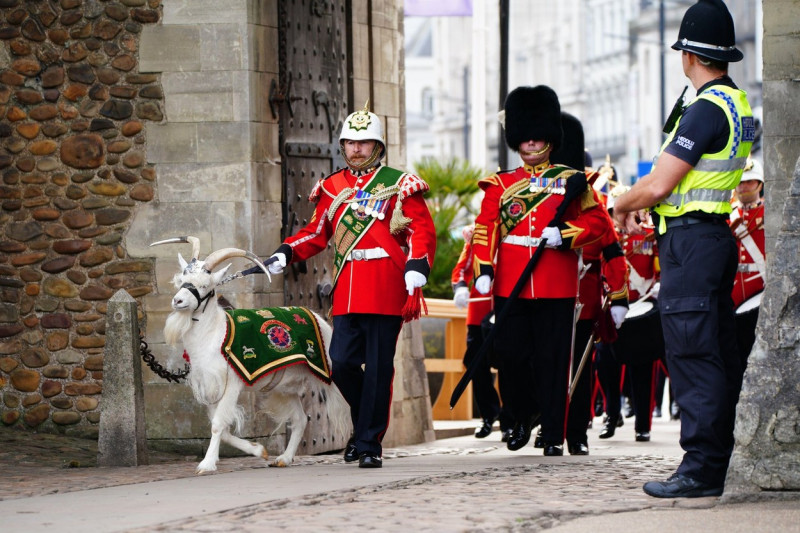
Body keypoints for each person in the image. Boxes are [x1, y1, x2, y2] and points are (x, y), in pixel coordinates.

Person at [612, 0, 755, 498]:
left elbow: (658, 186)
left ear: (688, 55)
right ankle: (718, 459)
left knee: (693, 353)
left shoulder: (704, 111)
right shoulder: (737, 105)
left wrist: (618, 203)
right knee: (715, 352)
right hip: (711, 237)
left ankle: (700, 468)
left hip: (692, 244)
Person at [265, 105, 437, 469]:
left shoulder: (398, 182)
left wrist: (417, 264)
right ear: (342, 145)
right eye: (351, 143)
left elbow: (421, 229)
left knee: (377, 369)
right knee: (341, 363)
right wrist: (287, 251)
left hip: (387, 284)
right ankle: (364, 426)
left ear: (377, 145)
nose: (357, 149)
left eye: (364, 142)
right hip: (347, 288)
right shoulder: (331, 187)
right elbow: (316, 233)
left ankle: (368, 443)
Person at [472, 85, 609, 456]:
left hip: (557, 284)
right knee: (511, 358)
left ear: (549, 138)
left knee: (552, 363)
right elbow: (486, 228)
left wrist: (565, 234)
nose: (531, 145)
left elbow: (599, 224)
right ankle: (517, 417)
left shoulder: (572, 181)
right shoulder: (500, 184)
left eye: (537, 138)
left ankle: (552, 434)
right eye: (525, 139)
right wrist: (483, 268)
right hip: (511, 283)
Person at [550, 114, 629, 456]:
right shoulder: (544, 202)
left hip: (584, 299)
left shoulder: (594, 206)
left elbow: (612, 250)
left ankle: (576, 432)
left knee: (581, 373)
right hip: (549, 296)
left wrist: (621, 296)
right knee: (548, 365)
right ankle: (549, 425)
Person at [452, 225, 513, 441]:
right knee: (476, 364)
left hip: (506, 311)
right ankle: (489, 414)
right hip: (479, 313)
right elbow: (461, 268)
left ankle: (510, 420)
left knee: (508, 364)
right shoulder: (478, 235)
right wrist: (460, 287)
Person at [729, 156, 765, 368]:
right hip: (734, 297)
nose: (743, 187)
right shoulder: (728, 217)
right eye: (740, 182)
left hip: (760, 292)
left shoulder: (769, 214)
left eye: (749, 181)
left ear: (759, 184)